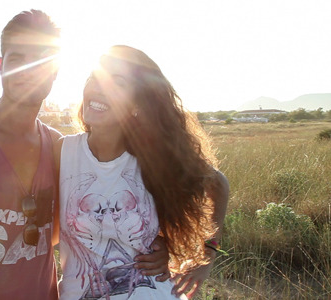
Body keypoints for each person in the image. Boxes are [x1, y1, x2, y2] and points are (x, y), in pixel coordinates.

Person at [0, 10, 170, 299]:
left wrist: (158, 245)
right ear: (1, 66)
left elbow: (71, 228)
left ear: (55, 72)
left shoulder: (58, 148)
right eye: (17, 59)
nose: (28, 71)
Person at [54, 45, 229, 299]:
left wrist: (208, 253)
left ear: (137, 104)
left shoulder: (154, 157)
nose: (98, 87)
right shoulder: (62, 152)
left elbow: (218, 184)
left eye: (117, 82)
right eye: (94, 77)